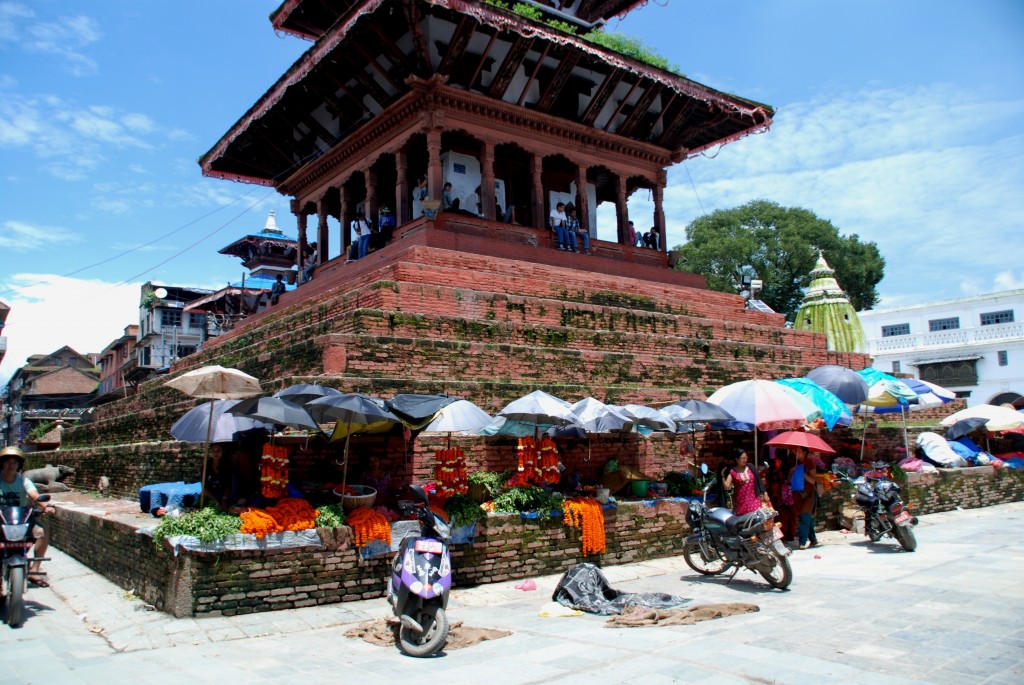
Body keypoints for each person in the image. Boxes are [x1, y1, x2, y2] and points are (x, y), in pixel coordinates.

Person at [0, 446, 54, 587]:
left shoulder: (24, 481)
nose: (11, 465)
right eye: (7, 462)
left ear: (19, 465)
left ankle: (34, 570)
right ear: (2, 463)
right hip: (1, 521)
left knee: (42, 532)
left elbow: (35, 496)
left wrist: (46, 506)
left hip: (20, 520)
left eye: (14, 462)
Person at [723, 448, 769, 515]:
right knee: (744, 522)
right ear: (737, 459)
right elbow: (726, 486)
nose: (745, 460)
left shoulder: (751, 467)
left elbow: (759, 480)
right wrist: (722, 476)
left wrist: (765, 493)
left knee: (756, 519)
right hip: (741, 502)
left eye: (746, 458)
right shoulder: (733, 471)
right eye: (743, 458)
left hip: (754, 499)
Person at [791, 447, 819, 549]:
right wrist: (793, 472)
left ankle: (802, 542)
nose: (796, 453)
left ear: (805, 452)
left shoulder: (809, 463)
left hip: (809, 495)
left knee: (804, 516)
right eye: (795, 451)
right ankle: (813, 539)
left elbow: (812, 480)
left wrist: (802, 473)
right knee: (806, 518)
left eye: (799, 451)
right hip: (798, 495)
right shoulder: (796, 464)